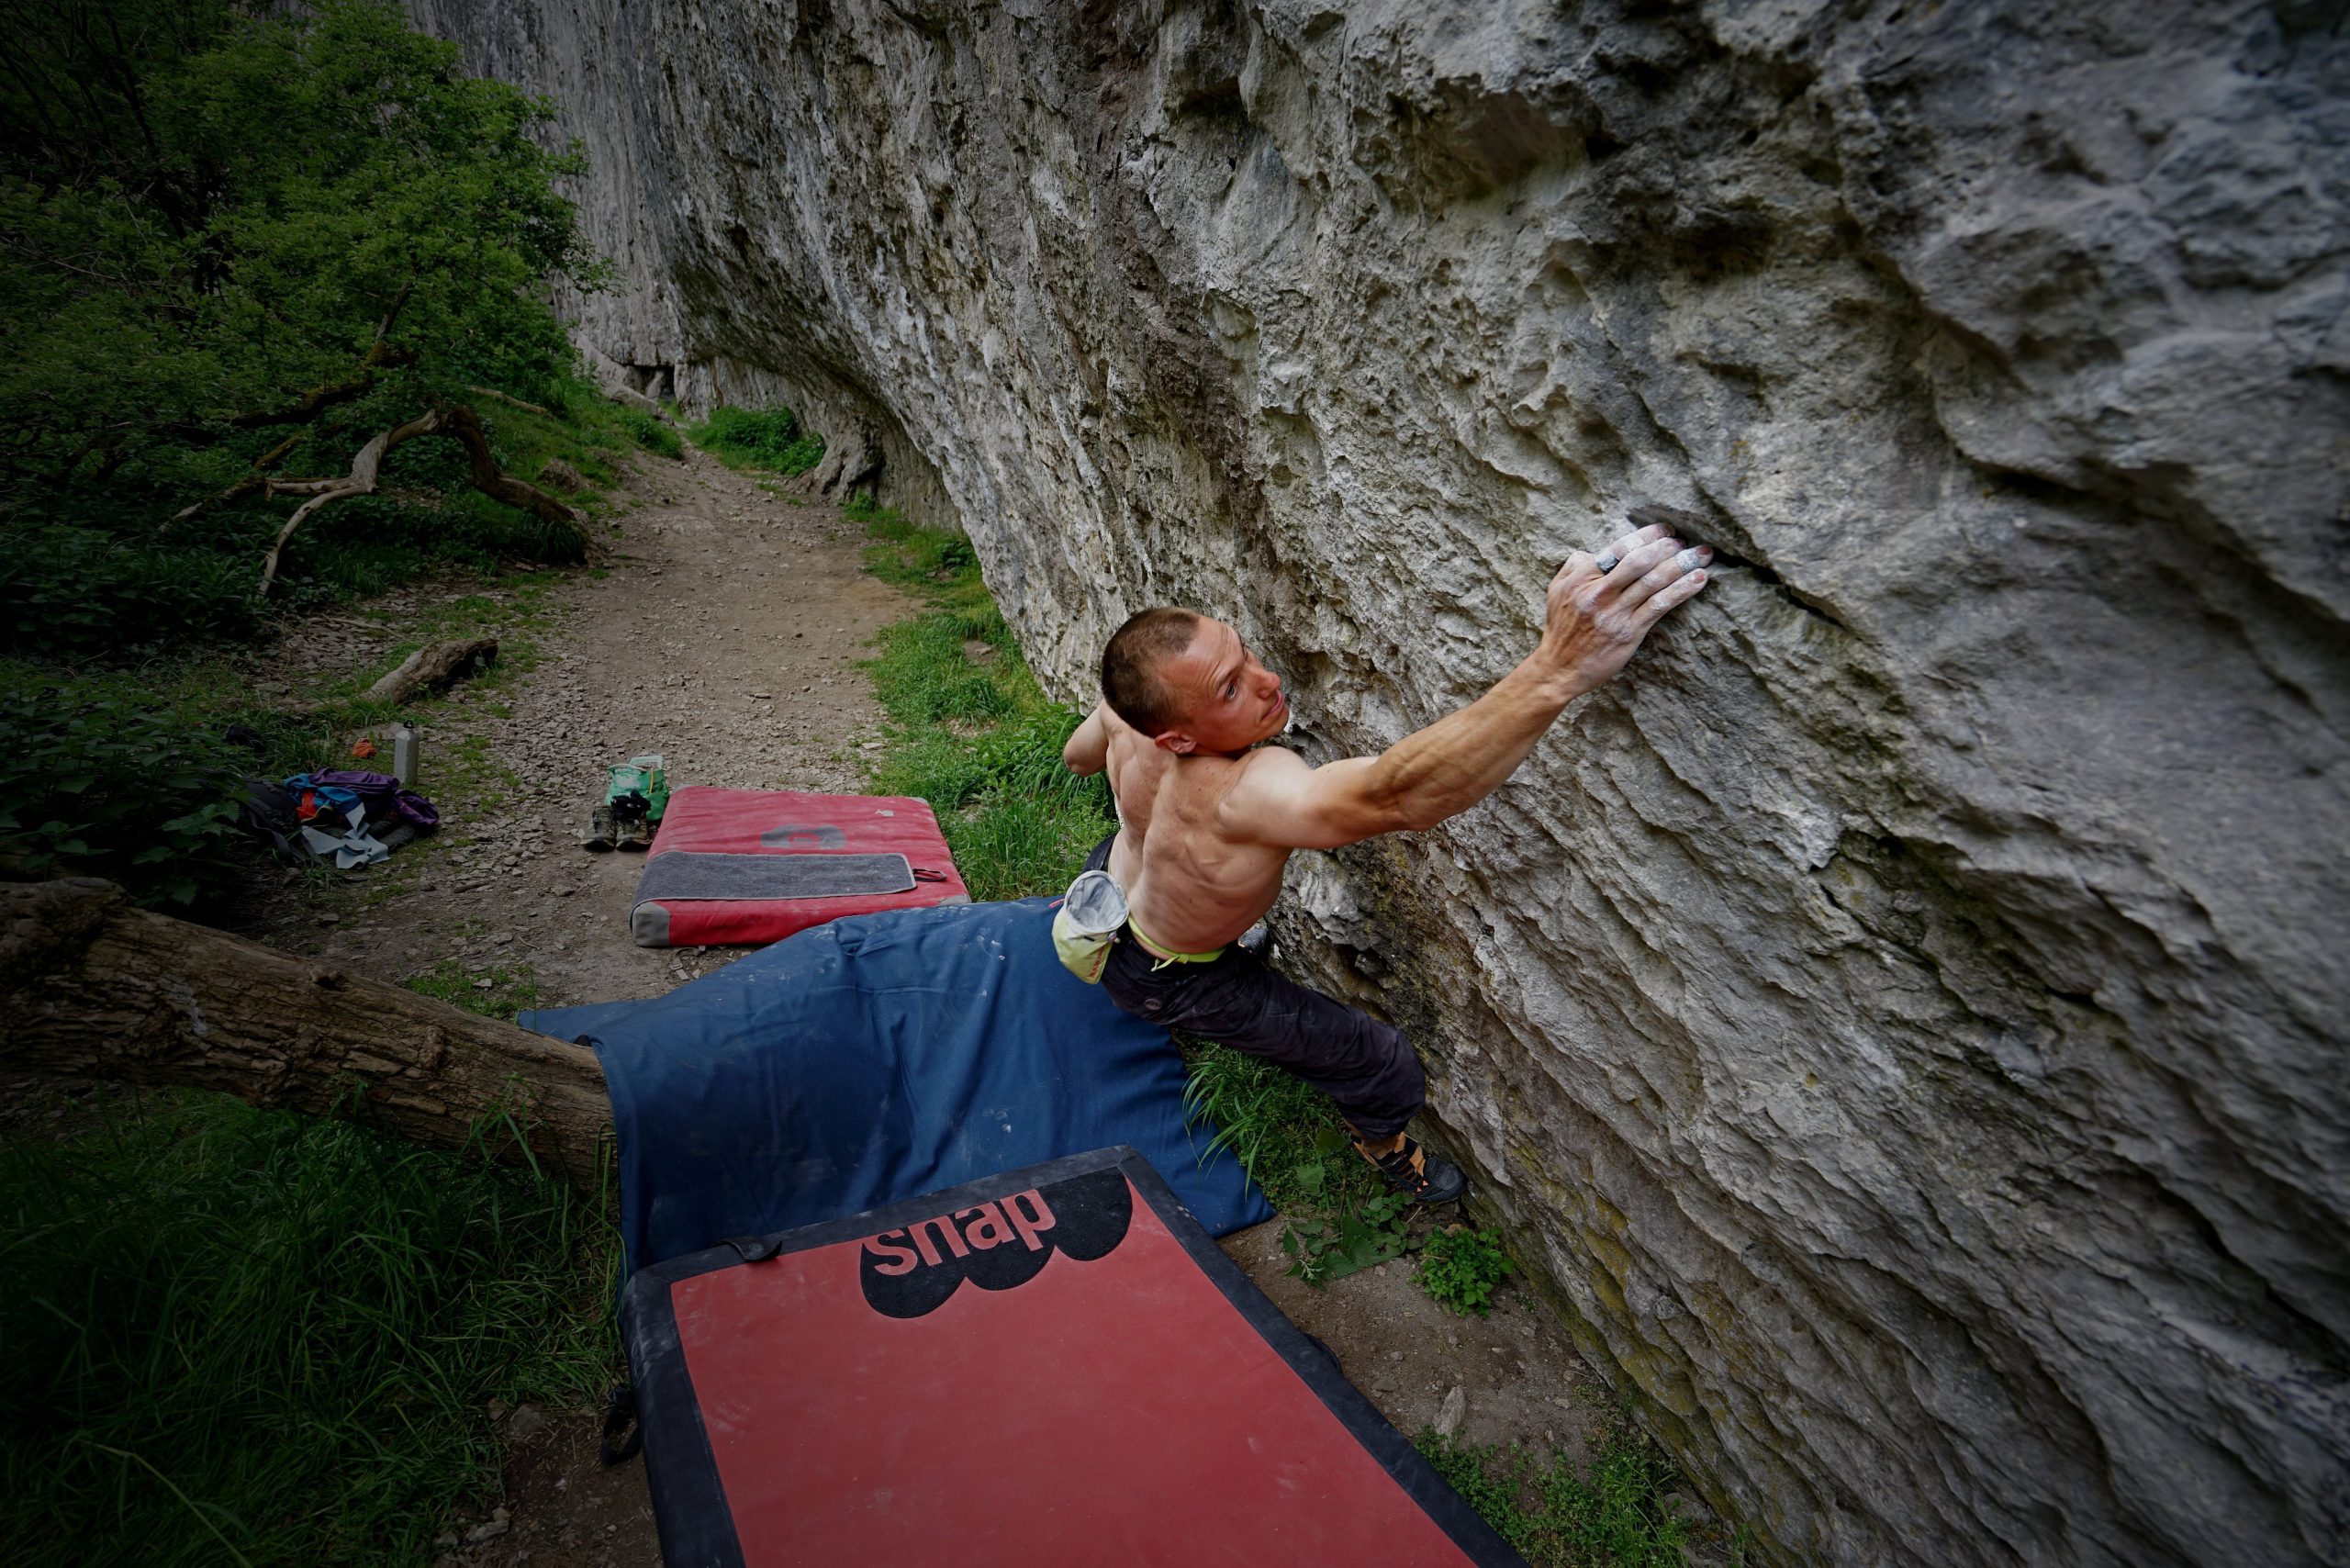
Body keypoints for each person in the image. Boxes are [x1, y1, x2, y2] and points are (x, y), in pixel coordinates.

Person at [1061, 520, 1711, 1202]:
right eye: (1230, 689)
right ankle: (1383, 1148)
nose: (1268, 679)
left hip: (1111, 882)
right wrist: (1556, 669)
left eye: (1246, 654)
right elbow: (1399, 794)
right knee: (1379, 1061)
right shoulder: (1242, 794)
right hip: (1169, 976)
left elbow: (1079, 757)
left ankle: (1198, 936)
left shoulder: (1121, 714)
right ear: (1176, 736)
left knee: (1178, 907)